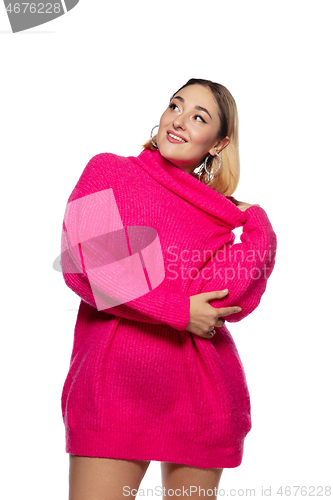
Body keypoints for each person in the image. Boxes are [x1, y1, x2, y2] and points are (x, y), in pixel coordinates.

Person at [60, 78, 277, 500]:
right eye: (175, 106)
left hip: (199, 395)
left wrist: (258, 223)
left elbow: (227, 300)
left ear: (219, 143)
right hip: (111, 390)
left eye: (199, 117)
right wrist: (179, 311)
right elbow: (89, 272)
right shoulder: (110, 171)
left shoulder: (219, 215)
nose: (179, 121)